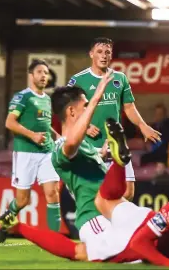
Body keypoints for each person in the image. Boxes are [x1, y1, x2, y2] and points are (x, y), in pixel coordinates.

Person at [0, 113, 169, 267]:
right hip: (123, 228)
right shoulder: (63, 151)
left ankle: (119, 161)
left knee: (106, 199)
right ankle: (18, 227)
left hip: (137, 215)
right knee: (80, 251)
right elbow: (141, 243)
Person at [67, 37, 160, 201]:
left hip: (115, 143)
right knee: (95, 193)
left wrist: (143, 126)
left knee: (128, 192)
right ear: (91, 54)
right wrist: (85, 126)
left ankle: (113, 222)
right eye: (100, 52)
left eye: (107, 52)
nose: (104, 55)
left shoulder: (120, 78)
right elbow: (68, 111)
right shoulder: (78, 80)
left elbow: (129, 107)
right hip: (91, 146)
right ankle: (99, 224)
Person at [0, 60, 62, 243]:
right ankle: (7, 218)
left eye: (46, 73)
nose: (44, 76)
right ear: (31, 75)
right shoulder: (22, 97)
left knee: (52, 192)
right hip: (25, 152)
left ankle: (55, 240)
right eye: (40, 72)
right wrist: (32, 135)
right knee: (23, 200)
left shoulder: (47, 99)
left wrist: (56, 135)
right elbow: (9, 123)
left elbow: (45, 125)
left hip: (47, 152)